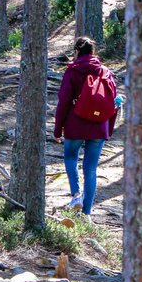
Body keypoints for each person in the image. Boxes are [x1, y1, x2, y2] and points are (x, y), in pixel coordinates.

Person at [54, 36, 120, 218]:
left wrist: (58, 129)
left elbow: (64, 101)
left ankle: (76, 195)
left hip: (75, 123)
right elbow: (113, 103)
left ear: (76, 51)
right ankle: (87, 214)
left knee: (70, 157)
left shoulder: (72, 71)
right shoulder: (105, 72)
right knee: (91, 169)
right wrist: (108, 129)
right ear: (93, 52)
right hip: (99, 126)